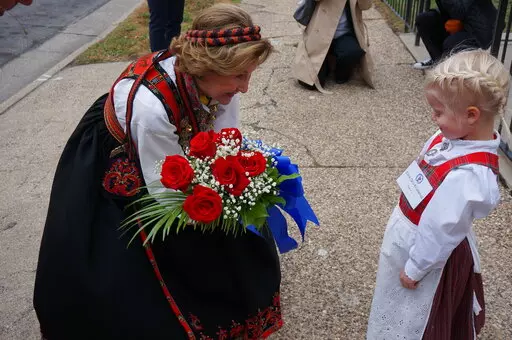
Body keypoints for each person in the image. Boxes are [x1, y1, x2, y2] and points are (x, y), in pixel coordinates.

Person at [34, 4, 283, 339]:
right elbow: (166, 196)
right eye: (240, 76)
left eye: (249, 75)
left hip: (167, 144)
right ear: (210, 66)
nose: (245, 87)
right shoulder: (150, 107)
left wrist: (231, 178)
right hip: (121, 156)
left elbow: (225, 139)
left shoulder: (217, 83)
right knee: (135, 266)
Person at [367, 49, 510, 339]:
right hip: (412, 236)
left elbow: (441, 227)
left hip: (427, 253)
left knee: (415, 314)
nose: (434, 118)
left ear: (472, 115)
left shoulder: (469, 176)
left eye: (439, 111)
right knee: (395, 301)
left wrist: (417, 268)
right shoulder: (452, 138)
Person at [293, 0, 374, 91]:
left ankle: (340, 74)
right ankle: (326, 63)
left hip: (344, 33)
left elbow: (365, 6)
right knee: (310, 83)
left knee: (352, 53)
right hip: (320, 33)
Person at [413, 0, 497, 70]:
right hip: (459, 22)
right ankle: (437, 61)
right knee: (424, 19)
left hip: (479, 30)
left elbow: (459, 11)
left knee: (451, 42)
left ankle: (453, 70)